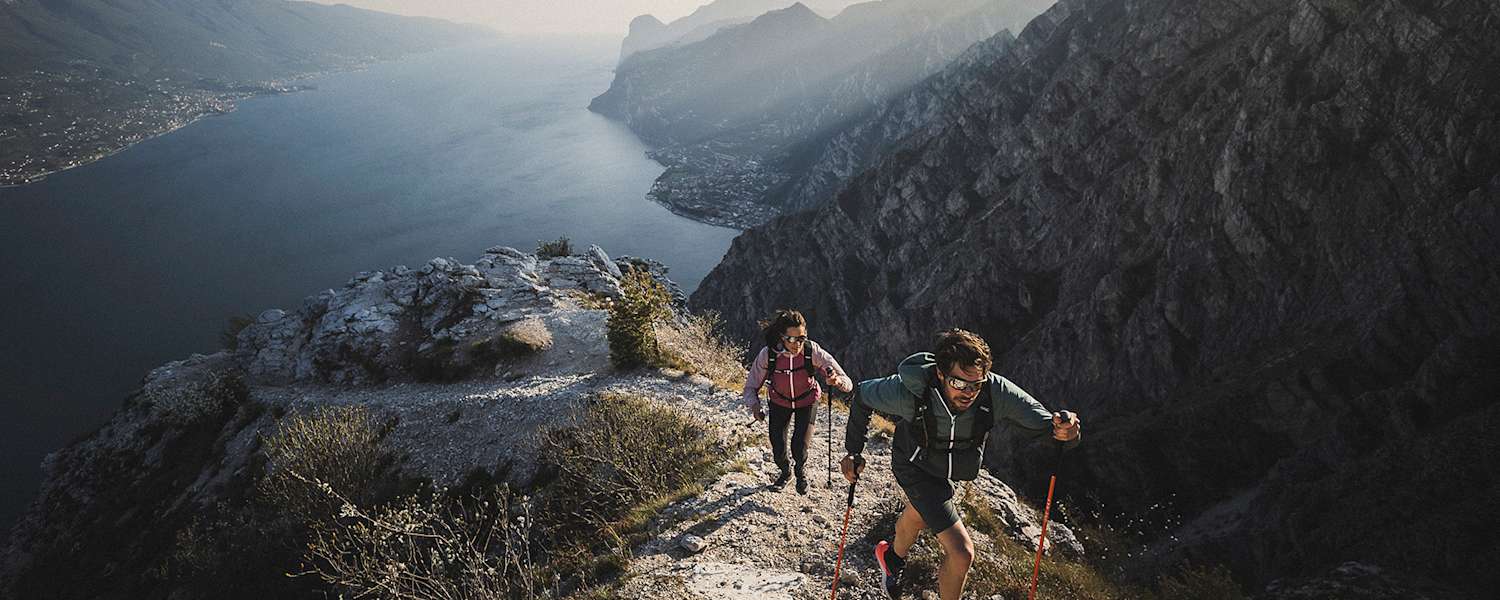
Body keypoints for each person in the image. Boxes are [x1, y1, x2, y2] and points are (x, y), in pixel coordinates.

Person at [840, 328, 1081, 600]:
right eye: (959, 384)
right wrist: (853, 451)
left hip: (947, 468)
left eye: (976, 385)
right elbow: (862, 395)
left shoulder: (994, 391)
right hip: (913, 464)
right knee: (962, 553)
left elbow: (1049, 428)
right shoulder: (909, 391)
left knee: (921, 512)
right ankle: (896, 559)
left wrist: (1067, 431)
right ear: (941, 374)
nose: (969, 393)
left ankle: (891, 557)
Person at [744, 309, 854, 494]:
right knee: (778, 446)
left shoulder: (813, 351)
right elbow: (750, 386)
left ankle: (800, 473)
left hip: (807, 401)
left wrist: (836, 381)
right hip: (779, 402)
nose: (798, 344)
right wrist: (755, 405)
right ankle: (785, 472)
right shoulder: (768, 355)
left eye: (802, 338)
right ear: (782, 337)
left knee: (799, 446)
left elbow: (848, 384)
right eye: (792, 339)